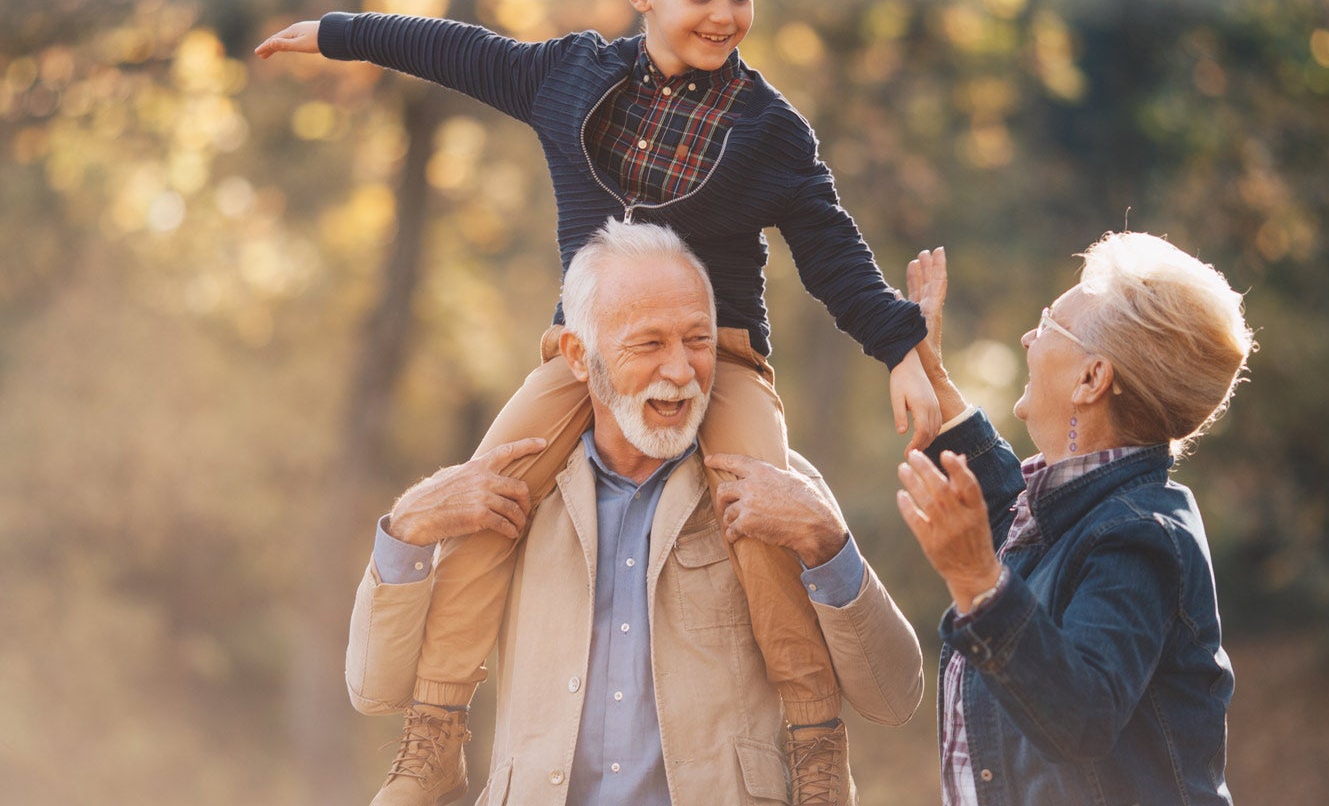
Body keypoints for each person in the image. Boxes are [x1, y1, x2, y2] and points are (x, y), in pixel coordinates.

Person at [256, 0, 935, 806]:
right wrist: (337, 34)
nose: (726, 15)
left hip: (721, 359)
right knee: (487, 498)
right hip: (585, 352)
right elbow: (453, 48)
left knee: (759, 520)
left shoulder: (770, 132)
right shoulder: (568, 76)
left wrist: (899, 343)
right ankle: (433, 733)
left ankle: (816, 743)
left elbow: (832, 250)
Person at [347, 220, 923, 806]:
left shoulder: (774, 484)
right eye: (649, 344)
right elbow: (373, 686)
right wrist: (408, 528)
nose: (680, 370)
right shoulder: (516, 492)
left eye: (697, 341)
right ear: (578, 355)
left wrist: (829, 542)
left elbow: (894, 696)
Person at [894, 236, 1253, 805]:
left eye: (1047, 323)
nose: (1028, 337)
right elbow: (1004, 505)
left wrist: (978, 583)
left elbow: (1080, 717)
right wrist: (932, 375)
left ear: (1092, 379)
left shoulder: (1141, 537)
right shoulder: (1070, 514)